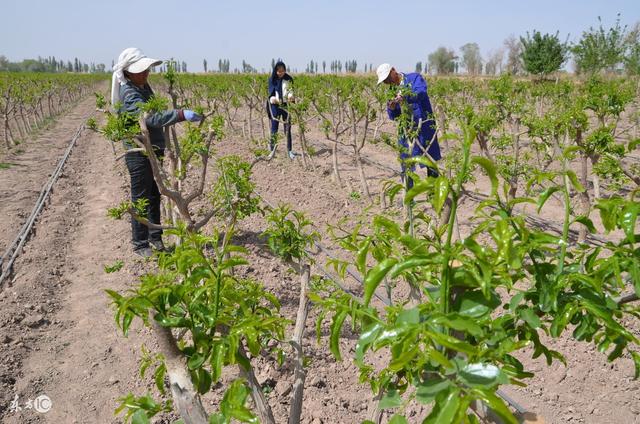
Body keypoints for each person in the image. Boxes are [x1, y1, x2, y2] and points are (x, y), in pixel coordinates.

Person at [111, 47, 202, 257]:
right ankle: (140, 244)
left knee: (154, 194)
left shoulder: (142, 86)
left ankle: (155, 238)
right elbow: (150, 118)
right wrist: (180, 114)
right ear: (127, 72)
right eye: (140, 70)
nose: (145, 73)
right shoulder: (130, 92)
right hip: (139, 153)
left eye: (146, 70)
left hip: (152, 150)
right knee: (141, 197)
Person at [376, 63, 441, 187]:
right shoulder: (392, 91)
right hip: (406, 129)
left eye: (388, 78)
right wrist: (392, 108)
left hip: (424, 125)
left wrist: (405, 97)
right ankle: (409, 196)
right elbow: (393, 116)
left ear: (393, 70)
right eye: (385, 81)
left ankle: (434, 194)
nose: (388, 82)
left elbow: (421, 93)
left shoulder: (414, 78)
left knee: (430, 158)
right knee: (406, 160)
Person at [267, 61, 295, 159]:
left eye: (282, 71)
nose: (280, 73)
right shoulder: (272, 79)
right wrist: (272, 98)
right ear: (275, 71)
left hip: (286, 105)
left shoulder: (289, 79)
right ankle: (272, 150)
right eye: (279, 71)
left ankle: (289, 150)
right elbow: (270, 92)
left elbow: (291, 90)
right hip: (275, 106)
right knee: (274, 128)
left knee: (287, 128)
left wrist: (291, 96)